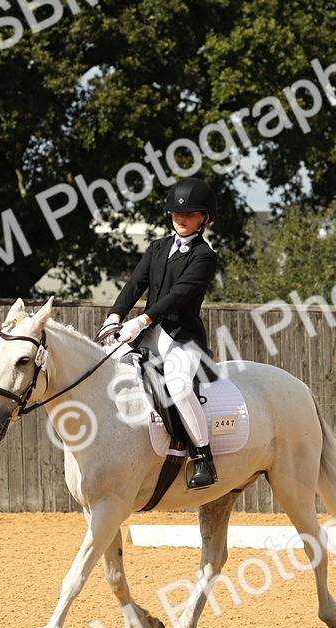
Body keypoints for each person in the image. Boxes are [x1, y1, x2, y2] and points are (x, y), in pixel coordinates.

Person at [99, 177, 220, 489]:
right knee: (107, 367)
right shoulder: (157, 248)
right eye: (177, 214)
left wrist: (142, 321)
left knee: (178, 386)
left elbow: (178, 295)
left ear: (204, 218)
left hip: (182, 338)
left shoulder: (204, 257)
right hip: (148, 335)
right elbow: (135, 284)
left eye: (190, 214)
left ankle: (203, 458)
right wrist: (114, 317)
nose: (181, 218)